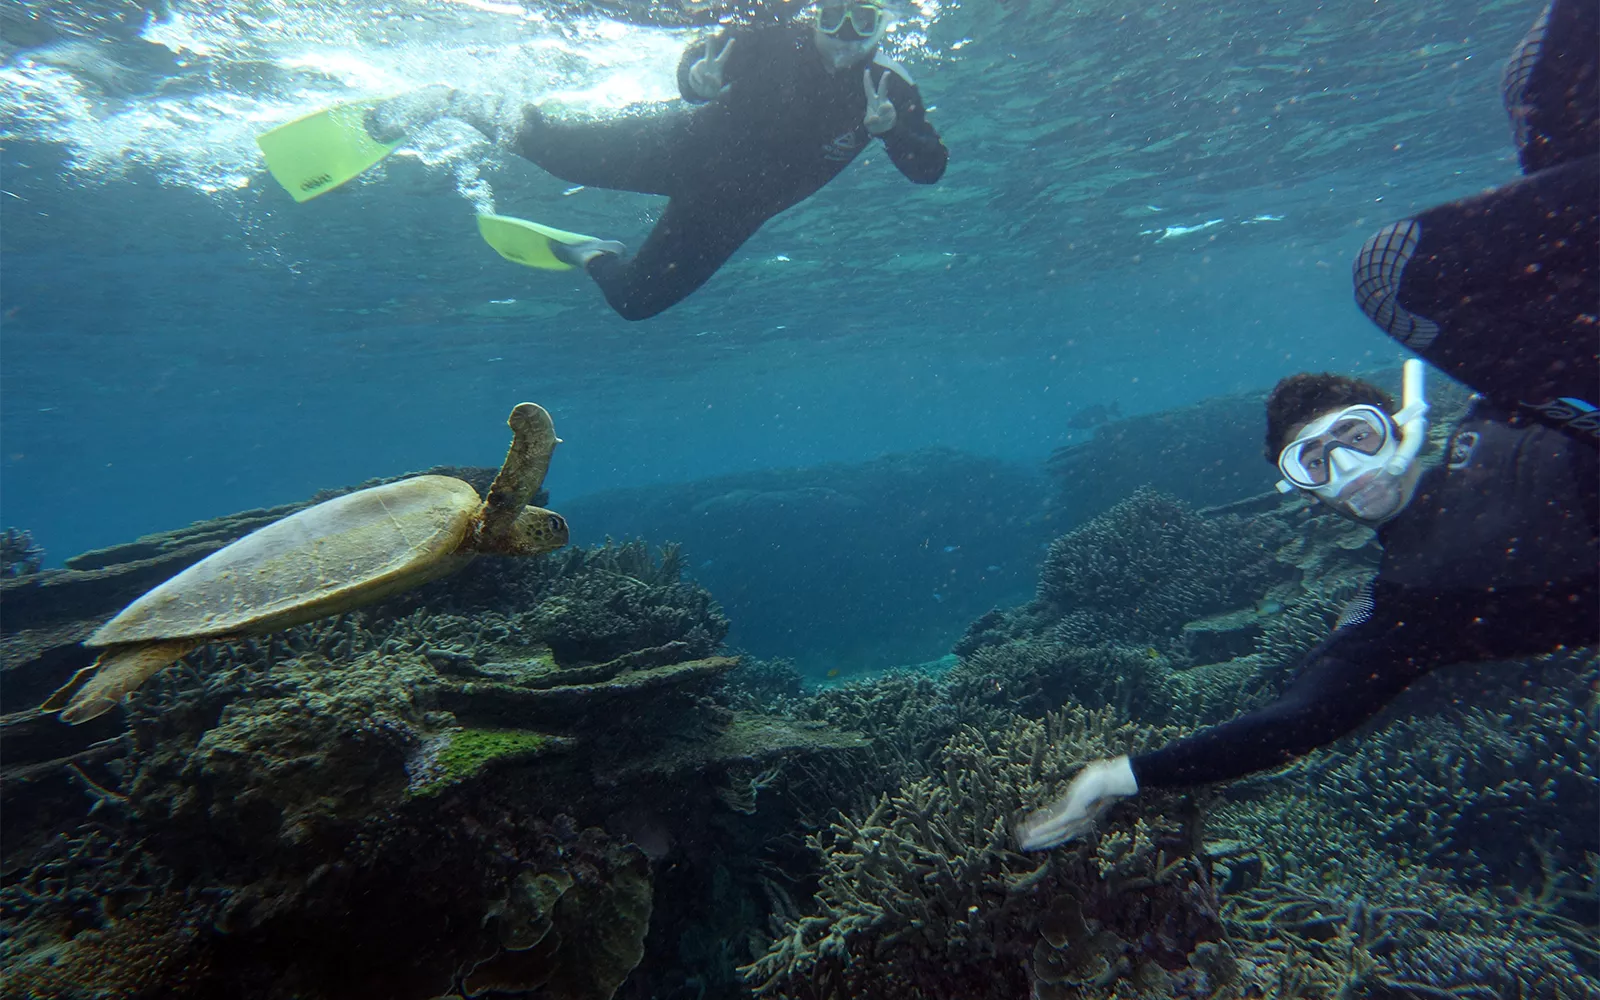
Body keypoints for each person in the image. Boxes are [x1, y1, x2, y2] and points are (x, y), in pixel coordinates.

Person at [1017, 0, 1598, 851]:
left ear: (1401, 418)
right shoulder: (1409, 609)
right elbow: (1297, 716)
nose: (1347, 467)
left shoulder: (1507, 403)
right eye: (1314, 461)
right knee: (1392, 269)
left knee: (1536, 93)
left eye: (1355, 435)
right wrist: (1122, 775)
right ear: (1299, 493)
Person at [367, 0, 948, 321]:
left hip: (730, 212)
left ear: (884, 24)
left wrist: (894, 134)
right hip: (681, 147)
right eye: (834, 17)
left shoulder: (890, 88)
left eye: (864, 21)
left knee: (635, 302)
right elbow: (704, 59)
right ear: (813, 14)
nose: (846, 34)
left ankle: (589, 252)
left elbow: (930, 167)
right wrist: (693, 80)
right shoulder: (773, 37)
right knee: (555, 153)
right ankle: (451, 101)